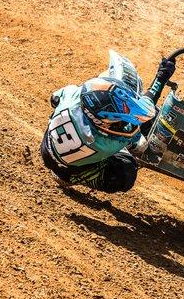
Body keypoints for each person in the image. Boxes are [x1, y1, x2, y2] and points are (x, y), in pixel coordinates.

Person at [41, 51, 174, 193]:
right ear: (102, 122)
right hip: (68, 168)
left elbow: (55, 98)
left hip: (50, 144)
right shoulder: (106, 144)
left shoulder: (72, 95)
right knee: (125, 172)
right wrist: (160, 79)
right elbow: (139, 145)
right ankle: (68, 177)